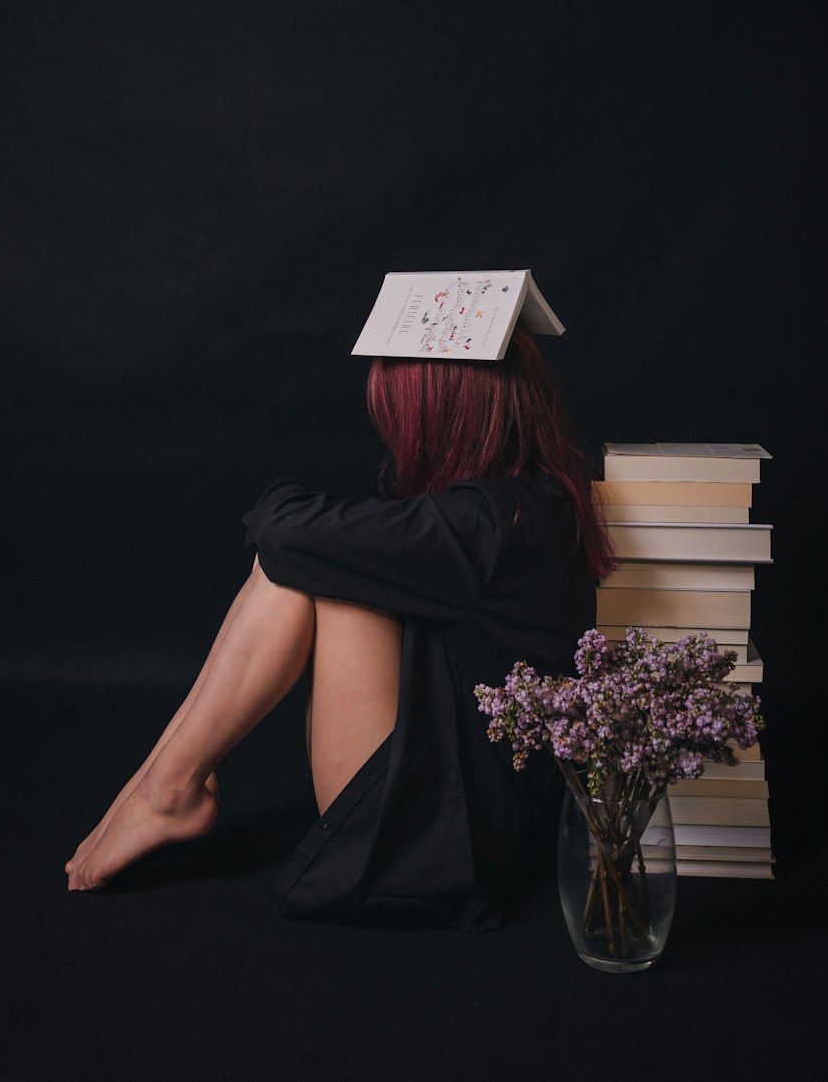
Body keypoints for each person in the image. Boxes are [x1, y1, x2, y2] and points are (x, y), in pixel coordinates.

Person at [66, 319, 615, 928]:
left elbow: (282, 533)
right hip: (493, 808)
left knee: (303, 569)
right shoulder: (533, 500)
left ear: (448, 412)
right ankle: (158, 785)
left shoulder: (485, 524)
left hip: (454, 840)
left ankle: (165, 789)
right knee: (318, 561)